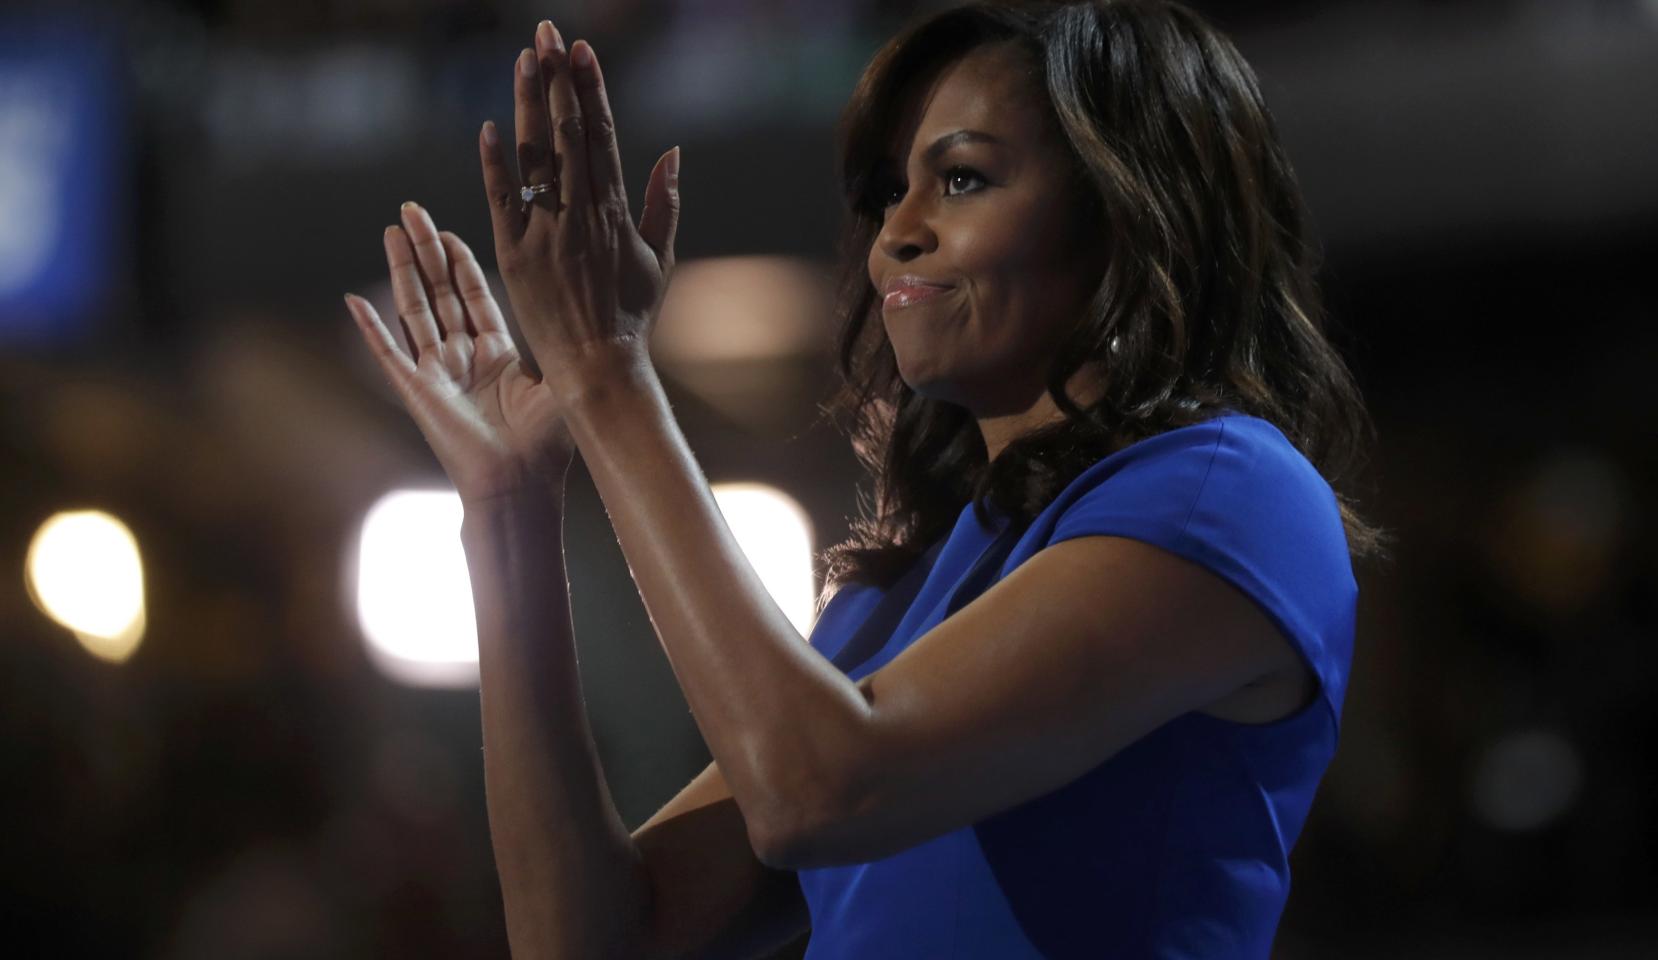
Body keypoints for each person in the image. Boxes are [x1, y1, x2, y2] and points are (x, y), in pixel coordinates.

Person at [342, 1, 1380, 956]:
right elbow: (596, 940)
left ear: (1131, 208)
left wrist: (608, 372)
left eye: (961, 178)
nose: (896, 232)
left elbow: (817, 790)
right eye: (890, 191)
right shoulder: (898, 594)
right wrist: (509, 510)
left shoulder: (1232, 495)